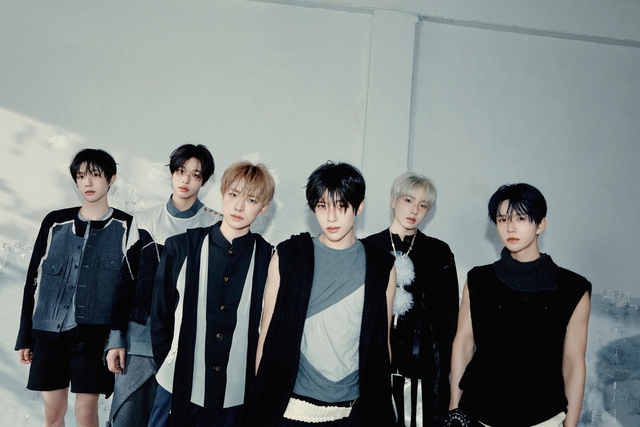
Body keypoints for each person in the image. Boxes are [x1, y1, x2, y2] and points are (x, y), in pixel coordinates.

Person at [244, 161, 397, 427]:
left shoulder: (381, 266)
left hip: (352, 411)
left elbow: (382, 344)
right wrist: (262, 402)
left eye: (341, 206)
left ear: (359, 206)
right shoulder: (290, 256)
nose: (331, 217)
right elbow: (266, 335)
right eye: (322, 206)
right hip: (291, 407)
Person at [446, 183, 591, 427]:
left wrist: (571, 424)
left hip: (543, 418)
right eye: (502, 219)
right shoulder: (479, 280)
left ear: (540, 224)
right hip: (479, 414)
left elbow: (573, 363)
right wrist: (454, 408)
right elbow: (463, 344)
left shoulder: (572, 288)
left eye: (521, 218)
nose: (510, 227)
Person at [149, 160, 276, 427]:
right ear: (222, 194)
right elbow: (160, 317)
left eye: (251, 200)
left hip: (235, 396)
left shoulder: (269, 258)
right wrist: (172, 366)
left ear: (263, 208)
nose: (239, 206)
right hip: (176, 387)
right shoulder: (181, 247)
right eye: (234, 194)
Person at [105, 144, 222, 426]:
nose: (186, 179)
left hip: (188, 344)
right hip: (139, 339)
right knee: (126, 418)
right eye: (181, 171)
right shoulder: (145, 219)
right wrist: (116, 338)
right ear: (171, 172)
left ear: (204, 180)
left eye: (195, 174)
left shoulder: (215, 224)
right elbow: (126, 280)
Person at [15, 148, 133, 427]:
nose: (87, 183)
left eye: (95, 175)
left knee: (85, 414)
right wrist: (25, 335)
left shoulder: (126, 226)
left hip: (94, 338)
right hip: (48, 333)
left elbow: (128, 289)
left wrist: (118, 338)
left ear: (111, 179)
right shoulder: (55, 222)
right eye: (80, 176)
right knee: (52, 414)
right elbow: (34, 277)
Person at [365, 172, 458, 426]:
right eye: (408, 200)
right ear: (393, 201)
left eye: (423, 205)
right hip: (376, 364)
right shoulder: (368, 248)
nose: (415, 210)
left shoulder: (439, 252)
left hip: (425, 369)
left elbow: (449, 319)